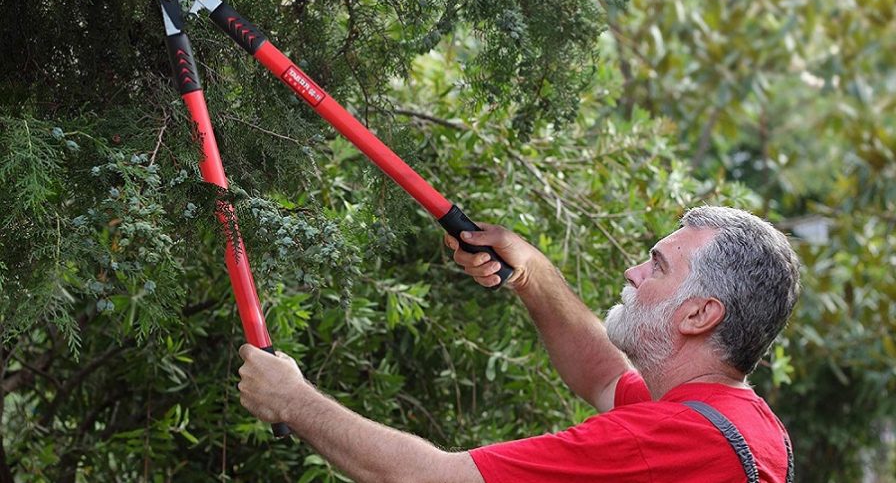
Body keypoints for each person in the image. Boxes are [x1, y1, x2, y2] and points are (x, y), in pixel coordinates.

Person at [237, 205, 800, 482]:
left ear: (700, 314)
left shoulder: (670, 440)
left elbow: (434, 480)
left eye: (656, 266)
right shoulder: (734, 423)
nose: (632, 272)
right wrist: (533, 275)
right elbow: (604, 375)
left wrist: (293, 400)